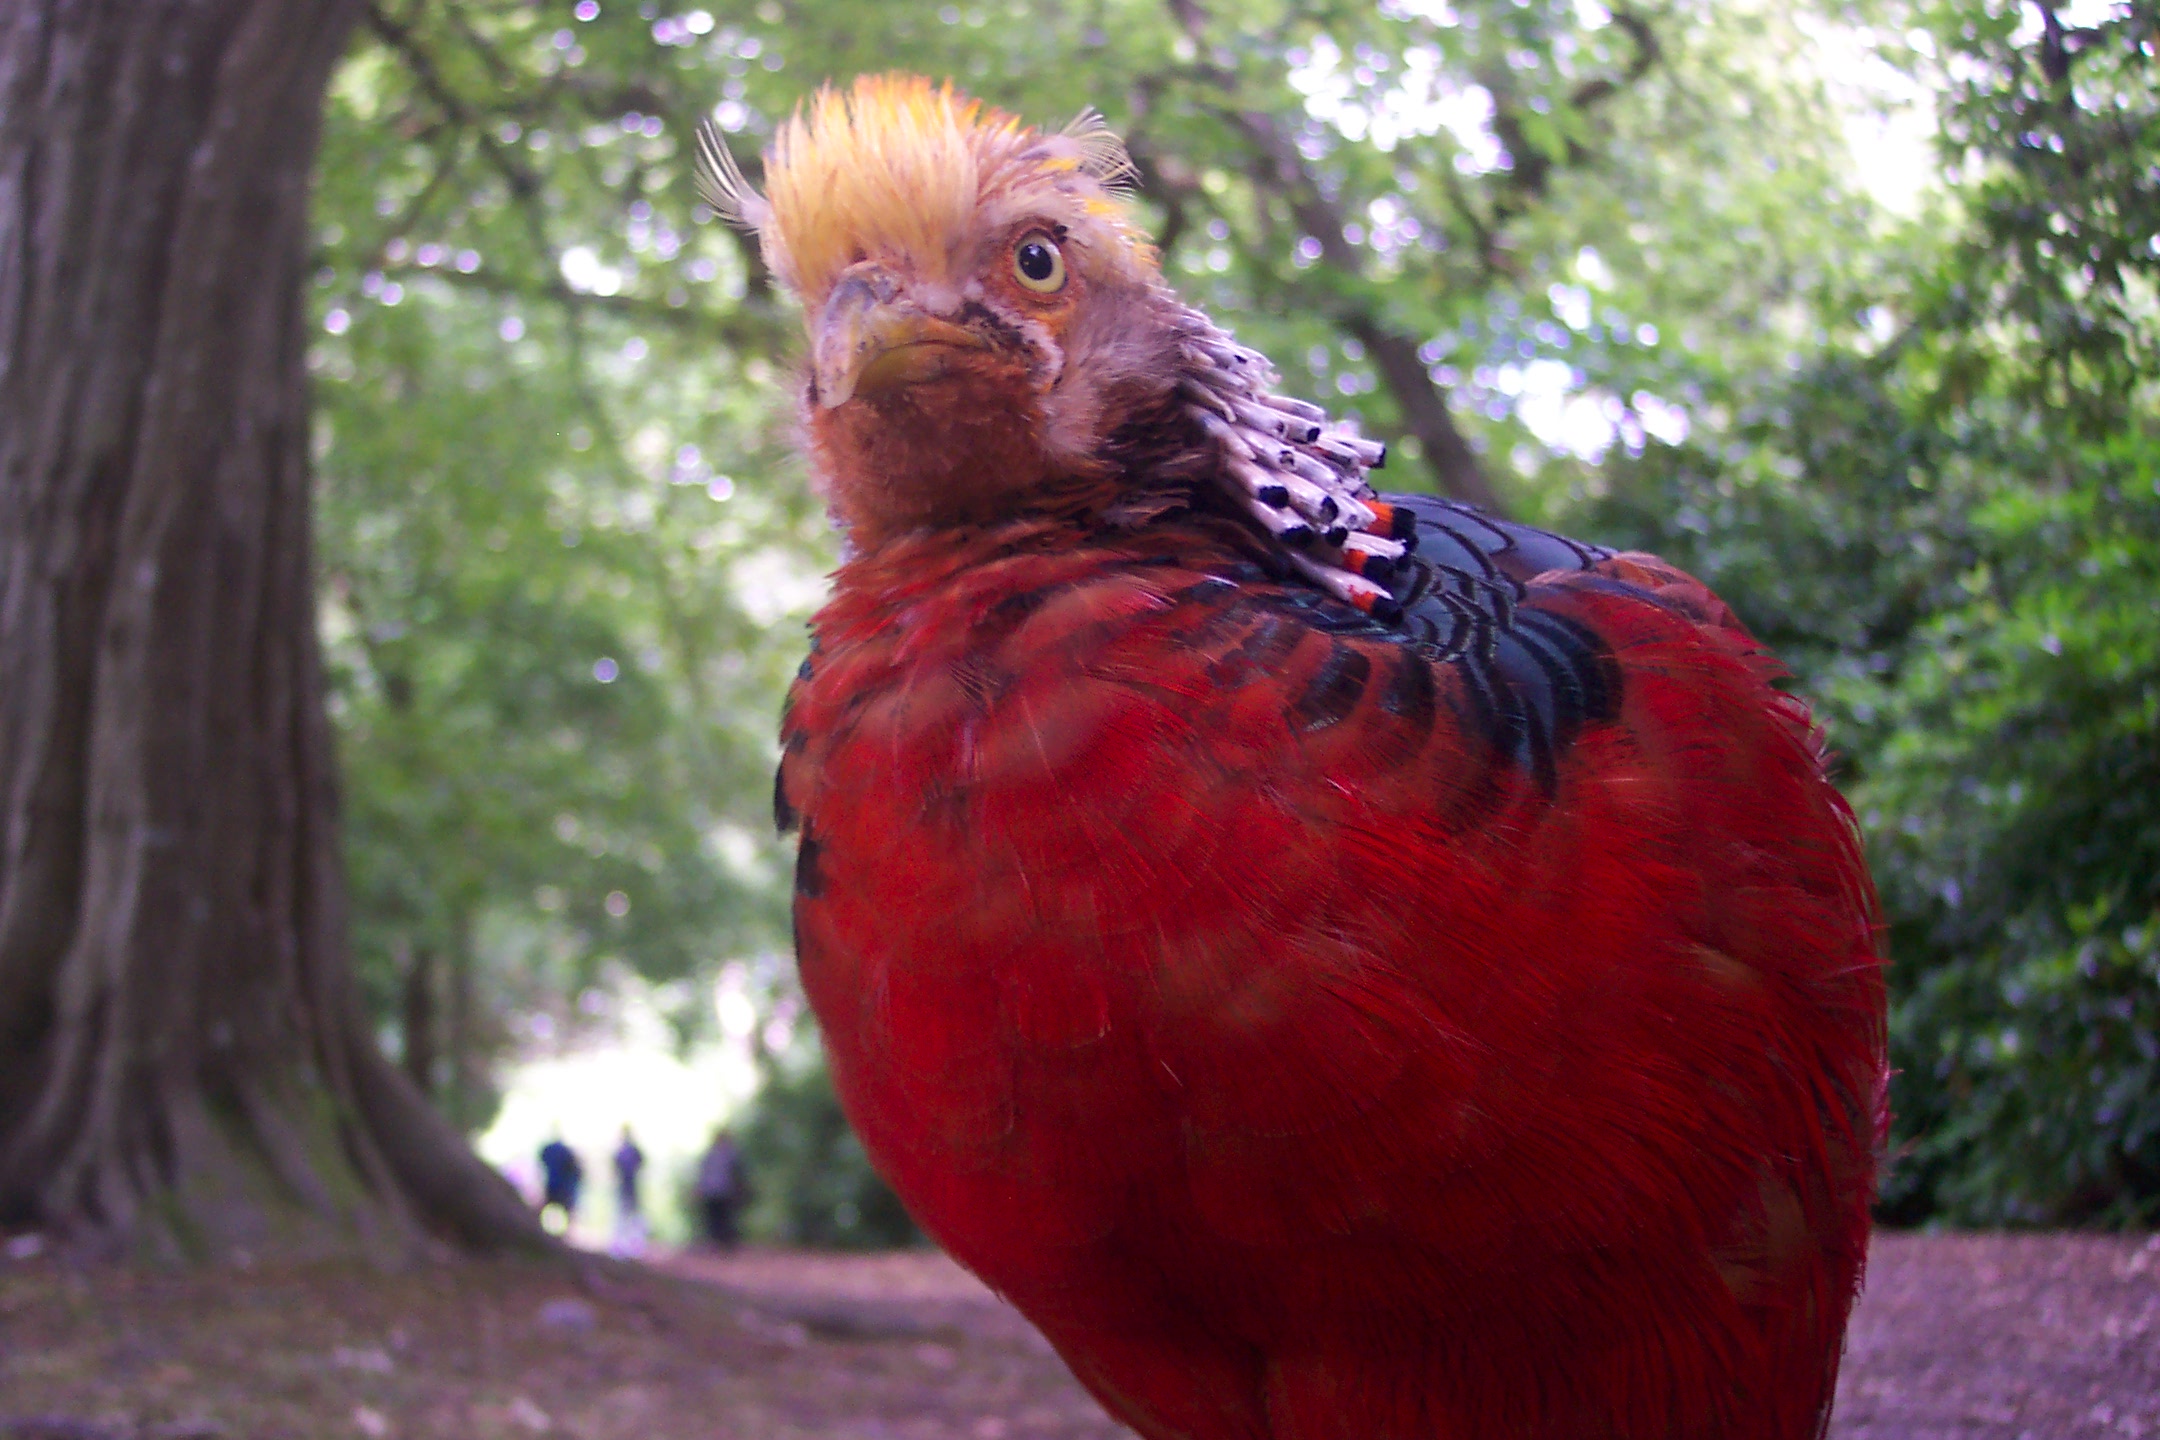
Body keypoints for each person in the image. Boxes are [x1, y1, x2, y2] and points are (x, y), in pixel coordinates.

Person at [696, 1127, 743, 1249]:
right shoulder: (730, 1153)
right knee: (720, 1217)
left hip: (718, 1191)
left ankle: (721, 1242)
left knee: (720, 1217)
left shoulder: (712, 1154)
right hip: (719, 1190)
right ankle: (720, 1243)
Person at [610, 1125, 646, 1257]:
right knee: (625, 1217)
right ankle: (624, 1247)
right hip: (626, 1188)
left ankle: (633, 1247)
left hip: (629, 1188)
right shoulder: (625, 1150)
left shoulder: (624, 1150)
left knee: (629, 1217)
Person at [537, 1132, 582, 1235]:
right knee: (563, 1215)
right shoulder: (567, 1152)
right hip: (563, 1190)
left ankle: (550, 1234)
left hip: (551, 1186)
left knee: (550, 1214)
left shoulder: (548, 1149)